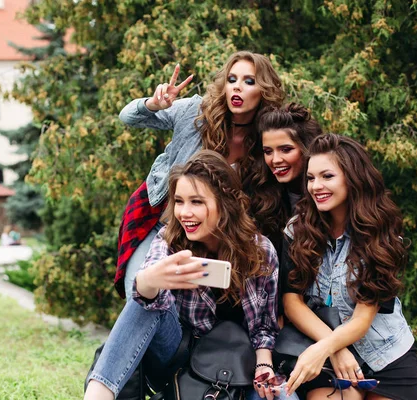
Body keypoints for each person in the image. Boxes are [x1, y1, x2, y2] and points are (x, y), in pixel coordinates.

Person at [85, 150, 284, 400]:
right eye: (179, 201)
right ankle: (97, 396)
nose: (184, 213)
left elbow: (264, 326)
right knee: (144, 300)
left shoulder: (260, 250)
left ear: (226, 202)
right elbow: (147, 301)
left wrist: (263, 365)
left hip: (236, 363)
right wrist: (149, 282)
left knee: (282, 397)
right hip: (177, 356)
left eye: (197, 202)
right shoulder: (169, 240)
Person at [115, 51, 285, 301]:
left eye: (249, 81)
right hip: (161, 218)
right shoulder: (197, 111)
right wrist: (153, 104)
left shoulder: (266, 139)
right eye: (232, 79)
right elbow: (127, 116)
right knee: (139, 293)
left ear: (265, 90)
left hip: (206, 235)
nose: (237, 87)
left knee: (184, 312)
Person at [281, 134, 417, 399]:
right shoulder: (297, 231)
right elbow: (292, 303)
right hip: (322, 352)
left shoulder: (380, 235)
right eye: (311, 178)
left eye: (327, 176)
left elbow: (362, 319)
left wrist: (325, 348)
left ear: (352, 178)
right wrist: (331, 349)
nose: (316, 186)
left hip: (384, 352)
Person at [245, 102, 323, 254]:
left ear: (307, 148)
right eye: (268, 151)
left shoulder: (324, 197)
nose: (275, 160)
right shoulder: (259, 195)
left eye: (286, 150)